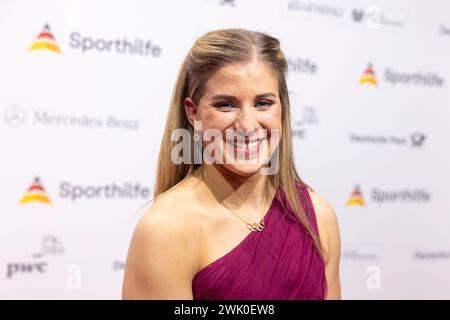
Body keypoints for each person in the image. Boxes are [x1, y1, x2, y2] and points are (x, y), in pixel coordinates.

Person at [122, 29, 341, 300]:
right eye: (226, 105)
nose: (247, 125)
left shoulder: (318, 216)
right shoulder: (166, 230)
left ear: (282, 108)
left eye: (263, 103)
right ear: (193, 113)